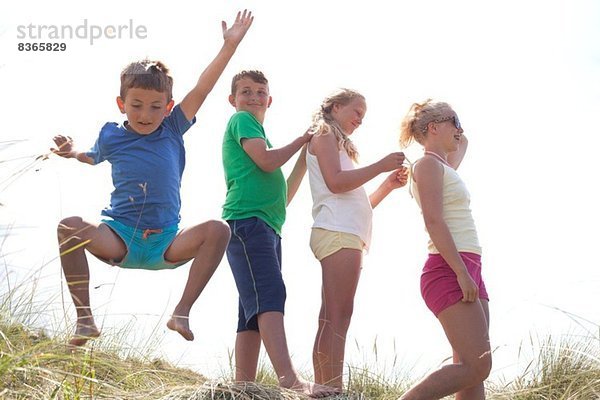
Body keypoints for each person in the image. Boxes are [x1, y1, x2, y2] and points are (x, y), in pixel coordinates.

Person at [51, 10, 253, 347]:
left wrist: (229, 47)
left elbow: (203, 88)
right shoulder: (112, 136)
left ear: (168, 105)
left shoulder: (173, 127)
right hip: (120, 236)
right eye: (137, 105)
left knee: (219, 229)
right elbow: (90, 157)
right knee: (68, 227)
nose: (146, 115)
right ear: (122, 104)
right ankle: (84, 319)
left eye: (156, 107)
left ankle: (182, 312)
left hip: (167, 242)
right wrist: (71, 153)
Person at [221, 69, 338, 397]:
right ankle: (290, 379)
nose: (254, 97)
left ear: (269, 100)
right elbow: (268, 161)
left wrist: (303, 156)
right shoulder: (242, 122)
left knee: (251, 308)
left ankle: (242, 386)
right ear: (233, 100)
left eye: (260, 92)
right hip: (247, 222)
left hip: (266, 227)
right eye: (246, 92)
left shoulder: (259, 131)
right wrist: (301, 139)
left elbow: (283, 194)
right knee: (270, 295)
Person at [306, 88, 408, 389]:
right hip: (338, 233)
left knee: (331, 315)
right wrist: (381, 165)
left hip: (343, 231)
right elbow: (336, 183)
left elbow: (356, 202)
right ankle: (332, 388)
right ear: (336, 107)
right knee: (339, 314)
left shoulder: (337, 144)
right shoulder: (324, 135)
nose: (360, 119)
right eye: (357, 112)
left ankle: (325, 388)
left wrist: (386, 185)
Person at [398, 99, 491, 400]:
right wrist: (462, 273)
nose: (459, 129)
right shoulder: (425, 166)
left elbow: (462, 143)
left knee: (472, 370)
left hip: (468, 265)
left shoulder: (444, 166)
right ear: (434, 127)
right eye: (454, 121)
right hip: (449, 268)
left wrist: (458, 126)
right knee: (477, 365)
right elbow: (434, 220)